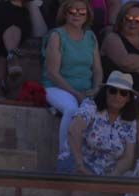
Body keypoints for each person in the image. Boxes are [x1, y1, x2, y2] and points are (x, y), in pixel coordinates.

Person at [43, 0, 102, 171]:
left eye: (82, 11)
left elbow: (98, 69)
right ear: (65, 13)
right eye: (72, 11)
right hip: (57, 87)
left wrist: (97, 88)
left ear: (87, 15)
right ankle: (65, 155)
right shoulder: (57, 36)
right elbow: (53, 74)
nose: (77, 14)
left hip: (86, 89)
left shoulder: (90, 37)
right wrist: (76, 93)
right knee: (71, 108)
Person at [0, 0, 48, 98]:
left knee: (11, 17)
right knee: (8, 10)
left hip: (13, 18)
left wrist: (28, 4)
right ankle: (12, 57)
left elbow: (41, 33)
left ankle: (1, 82)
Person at [100, 2, 139, 95]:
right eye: (128, 18)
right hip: (118, 95)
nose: (133, 22)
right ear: (121, 20)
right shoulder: (112, 38)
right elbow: (125, 61)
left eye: (138, 19)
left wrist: (134, 67)